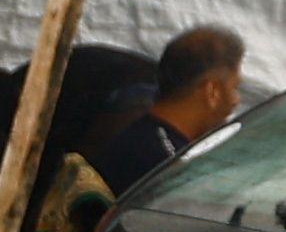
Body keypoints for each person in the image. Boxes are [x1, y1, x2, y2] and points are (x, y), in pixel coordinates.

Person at [89, 27, 244, 194]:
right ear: (212, 91)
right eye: (234, 87)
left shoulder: (136, 135)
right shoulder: (167, 169)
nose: (236, 100)